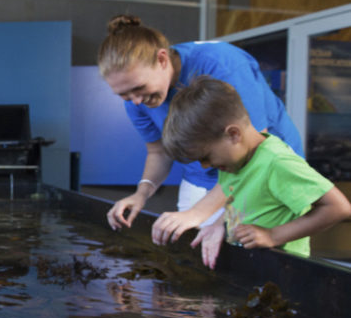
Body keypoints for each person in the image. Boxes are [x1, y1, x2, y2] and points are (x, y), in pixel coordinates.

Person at [97, 14, 304, 238]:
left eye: (138, 88)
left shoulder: (223, 65)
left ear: (162, 59)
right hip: (204, 174)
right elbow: (159, 151)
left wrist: (199, 213)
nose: (135, 100)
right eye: (124, 95)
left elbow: (253, 151)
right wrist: (142, 193)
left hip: (259, 169)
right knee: (190, 245)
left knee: (245, 248)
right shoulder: (136, 100)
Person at [161, 77, 351, 268]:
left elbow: (338, 207)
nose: (205, 166)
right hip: (250, 266)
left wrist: (272, 235)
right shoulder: (235, 161)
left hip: (281, 270)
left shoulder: (276, 162)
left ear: (234, 134)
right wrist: (220, 225)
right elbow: (241, 200)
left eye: (206, 157)